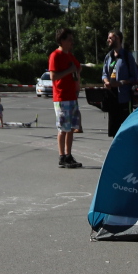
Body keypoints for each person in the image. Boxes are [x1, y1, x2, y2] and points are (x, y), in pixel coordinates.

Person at [49, 28, 83, 169]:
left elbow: (78, 68)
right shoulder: (55, 56)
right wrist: (69, 71)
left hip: (71, 96)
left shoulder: (70, 55)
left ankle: (69, 155)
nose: (71, 42)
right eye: (69, 39)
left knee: (71, 128)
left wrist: (77, 81)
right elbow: (53, 76)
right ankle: (62, 156)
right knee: (63, 128)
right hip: (61, 97)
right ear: (62, 41)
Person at [102, 30, 138, 137]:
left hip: (124, 98)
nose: (108, 40)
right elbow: (104, 74)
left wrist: (121, 83)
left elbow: (135, 77)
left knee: (125, 129)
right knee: (114, 130)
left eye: (110, 38)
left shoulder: (127, 57)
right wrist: (107, 82)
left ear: (118, 39)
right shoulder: (108, 56)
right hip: (111, 98)